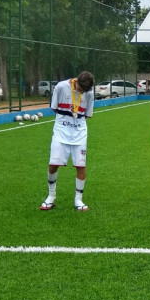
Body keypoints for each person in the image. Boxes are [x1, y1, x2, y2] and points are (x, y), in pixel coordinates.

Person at [40, 71, 95, 211]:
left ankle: (78, 200)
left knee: (81, 166)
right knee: (53, 164)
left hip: (79, 133)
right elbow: (54, 108)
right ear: (77, 81)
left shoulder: (89, 93)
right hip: (61, 131)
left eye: (85, 91)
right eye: (81, 89)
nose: (82, 92)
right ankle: (51, 196)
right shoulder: (61, 86)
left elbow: (87, 115)